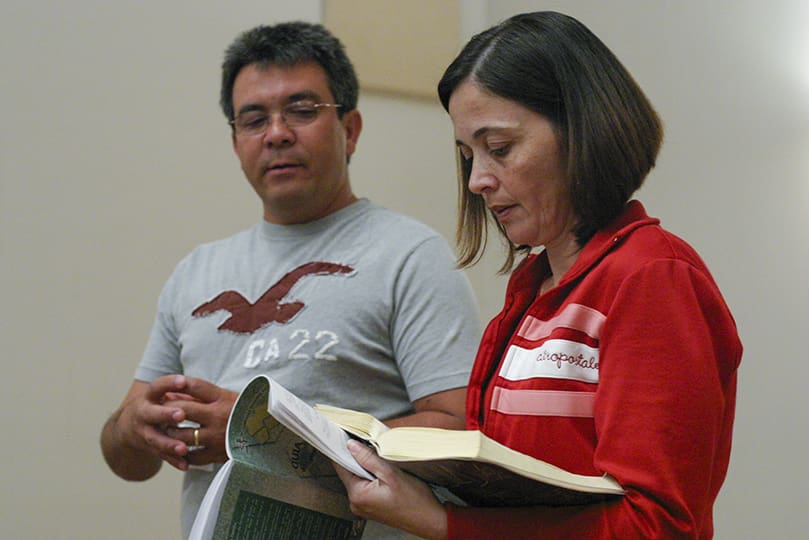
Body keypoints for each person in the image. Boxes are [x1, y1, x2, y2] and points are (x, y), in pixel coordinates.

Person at [335, 11, 742, 539]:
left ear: (581, 128)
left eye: (499, 148)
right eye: (468, 156)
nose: (479, 180)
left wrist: (441, 522)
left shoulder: (651, 276)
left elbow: (656, 527)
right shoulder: (532, 287)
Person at [99, 21, 482, 539]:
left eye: (302, 111)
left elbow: (457, 433)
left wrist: (264, 433)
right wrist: (133, 429)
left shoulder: (409, 255)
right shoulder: (195, 272)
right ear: (236, 141)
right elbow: (128, 460)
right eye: (253, 119)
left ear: (351, 129)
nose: (277, 133)